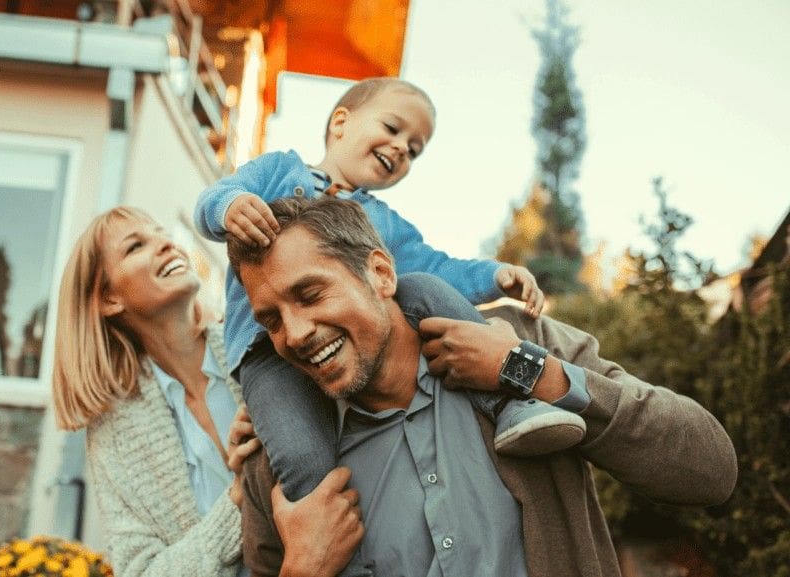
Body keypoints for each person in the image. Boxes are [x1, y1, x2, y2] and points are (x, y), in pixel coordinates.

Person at [229, 196, 738, 577]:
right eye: (271, 320)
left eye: (311, 294)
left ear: (381, 274)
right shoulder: (277, 466)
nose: (294, 334)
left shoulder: (522, 344)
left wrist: (531, 374)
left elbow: (709, 470)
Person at [194, 77, 581, 544]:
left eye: (414, 150)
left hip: (351, 341)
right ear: (341, 122)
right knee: (301, 457)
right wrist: (229, 207)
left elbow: (438, 266)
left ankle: (510, 404)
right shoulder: (278, 171)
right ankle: (330, 541)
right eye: (393, 129)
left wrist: (495, 275)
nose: (401, 149)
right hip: (268, 354)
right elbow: (215, 197)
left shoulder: (382, 224)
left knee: (422, 287)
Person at [52, 206, 261, 577]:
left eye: (162, 233)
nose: (167, 244)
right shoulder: (114, 433)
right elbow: (141, 572)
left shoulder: (254, 353)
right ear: (109, 300)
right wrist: (238, 500)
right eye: (136, 246)